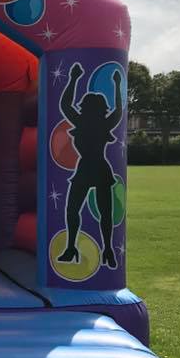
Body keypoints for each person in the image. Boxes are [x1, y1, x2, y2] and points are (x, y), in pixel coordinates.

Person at [57, 62, 123, 268]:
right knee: (94, 211)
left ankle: (95, 249)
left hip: (88, 168)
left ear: (84, 107)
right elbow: (118, 111)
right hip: (95, 168)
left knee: (77, 209)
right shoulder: (101, 123)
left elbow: (66, 105)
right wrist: (116, 85)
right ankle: (101, 250)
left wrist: (74, 79)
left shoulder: (81, 122)